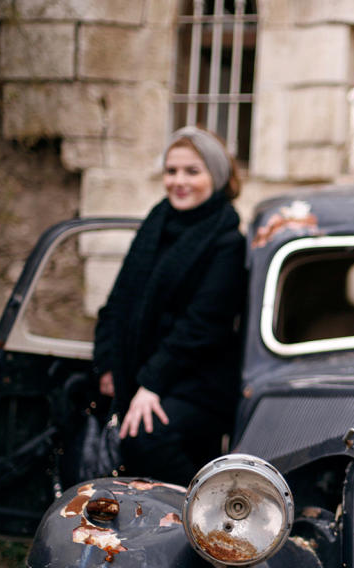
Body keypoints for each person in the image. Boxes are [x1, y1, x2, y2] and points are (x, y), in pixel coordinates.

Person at [93, 126, 247, 485]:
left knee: (143, 438)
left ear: (217, 177)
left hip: (197, 380)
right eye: (171, 170)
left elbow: (203, 325)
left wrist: (151, 385)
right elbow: (117, 302)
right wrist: (107, 364)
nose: (179, 181)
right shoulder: (156, 223)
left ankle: (214, 516)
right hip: (147, 370)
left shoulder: (226, 240)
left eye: (192, 171)